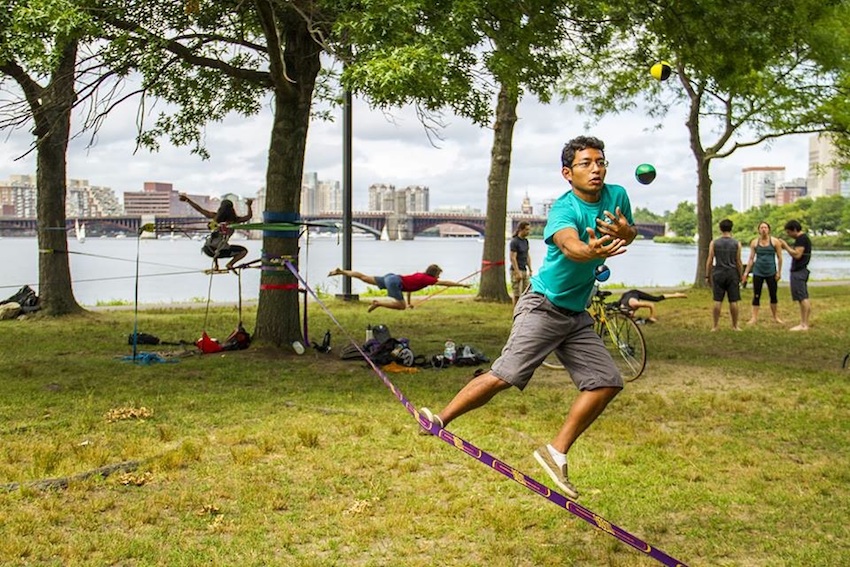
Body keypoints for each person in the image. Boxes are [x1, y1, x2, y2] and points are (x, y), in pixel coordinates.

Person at [418, 136, 637, 499]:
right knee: (505, 376)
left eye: (600, 161)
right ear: (568, 173)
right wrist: (591, 249)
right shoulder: (563, 210)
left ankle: (555, 452)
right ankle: (439, 419)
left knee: (606, 381)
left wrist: (625, 232)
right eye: (586, 163)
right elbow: (571, 245)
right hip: (543, 306)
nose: (596, 168)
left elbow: (628, 229)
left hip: (576, 313)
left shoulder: (617, 196)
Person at [327, 264, 471, 312]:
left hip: (392, 277)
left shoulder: (420, 276)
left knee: (364, 277)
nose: (439, 277)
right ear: (434, 274)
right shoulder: (429, 279)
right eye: (438, 274)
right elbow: (446, 283)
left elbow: (409, 289)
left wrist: (409, 303)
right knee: (400, 307)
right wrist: (462, 285)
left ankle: (341, 271)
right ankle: (378, 303)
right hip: (395, 283)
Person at [180, 193, 254, 270]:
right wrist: (249, 205)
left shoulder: (215, 218)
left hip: (208, 249)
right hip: (219, 250)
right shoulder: (234, 220)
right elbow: (248, 217)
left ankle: (216, 266)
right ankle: (230, 264)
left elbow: (200, 209)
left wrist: (188, 200)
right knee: (243, 251)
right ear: (232, 209)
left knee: (218, 243)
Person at [741, 221, 784, 325]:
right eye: (761, 228)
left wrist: (779, 272)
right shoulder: (754, 242)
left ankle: (775, 317)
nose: (763, 229)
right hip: (758, 271)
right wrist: (746, 273)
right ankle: (754, 318)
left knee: (773, 295)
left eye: (765, 227)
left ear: (768, 229)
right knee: (756, 295)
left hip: (771, 272)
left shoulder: (775, 242)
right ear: (759, 230)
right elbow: (751, 258)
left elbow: (780, 257)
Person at [705, 218, 743, 331]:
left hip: (718, 272)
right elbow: (738, 261)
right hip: (732, 273)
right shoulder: (737, 243)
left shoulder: (714, 243)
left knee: (717, 300)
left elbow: (710, 260)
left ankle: (715, 326)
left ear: (720, 229)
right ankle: (735, 326)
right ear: (731, 229)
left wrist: (707, 275)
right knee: (733, 300)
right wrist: (741, 275)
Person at [781, 219, 812, 331]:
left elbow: (797, 255)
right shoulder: (803, 238)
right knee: (802, 297)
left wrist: (785, 246)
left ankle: (804, 324)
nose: (789, 235)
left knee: (802, 297)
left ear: (794, 230)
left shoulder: (801, 239)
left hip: (799, 271)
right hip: (801, 270)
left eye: (789, 232)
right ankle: (803, 323)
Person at [618, 289, 687, 323]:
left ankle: (676, 294)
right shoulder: (621, 307)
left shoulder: (635, 304)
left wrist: (652, 317)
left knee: (656, 299)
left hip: (635, 293)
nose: (632, 316)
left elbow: (651, 305)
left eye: (631, 315)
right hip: (625, 296)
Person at [509, 221, 533, 305]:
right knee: (517, 294)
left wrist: (530, 269)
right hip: (516, 270)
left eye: (529, 230)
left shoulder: (526, 241)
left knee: (526, 293)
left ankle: (523, 310)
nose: (528, 232)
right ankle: (515, 311)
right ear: (521, 230)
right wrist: (517, 271)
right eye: (526, 230)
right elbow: (512, 258)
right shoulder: (514, 242)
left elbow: (527, 256)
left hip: (524, 269)